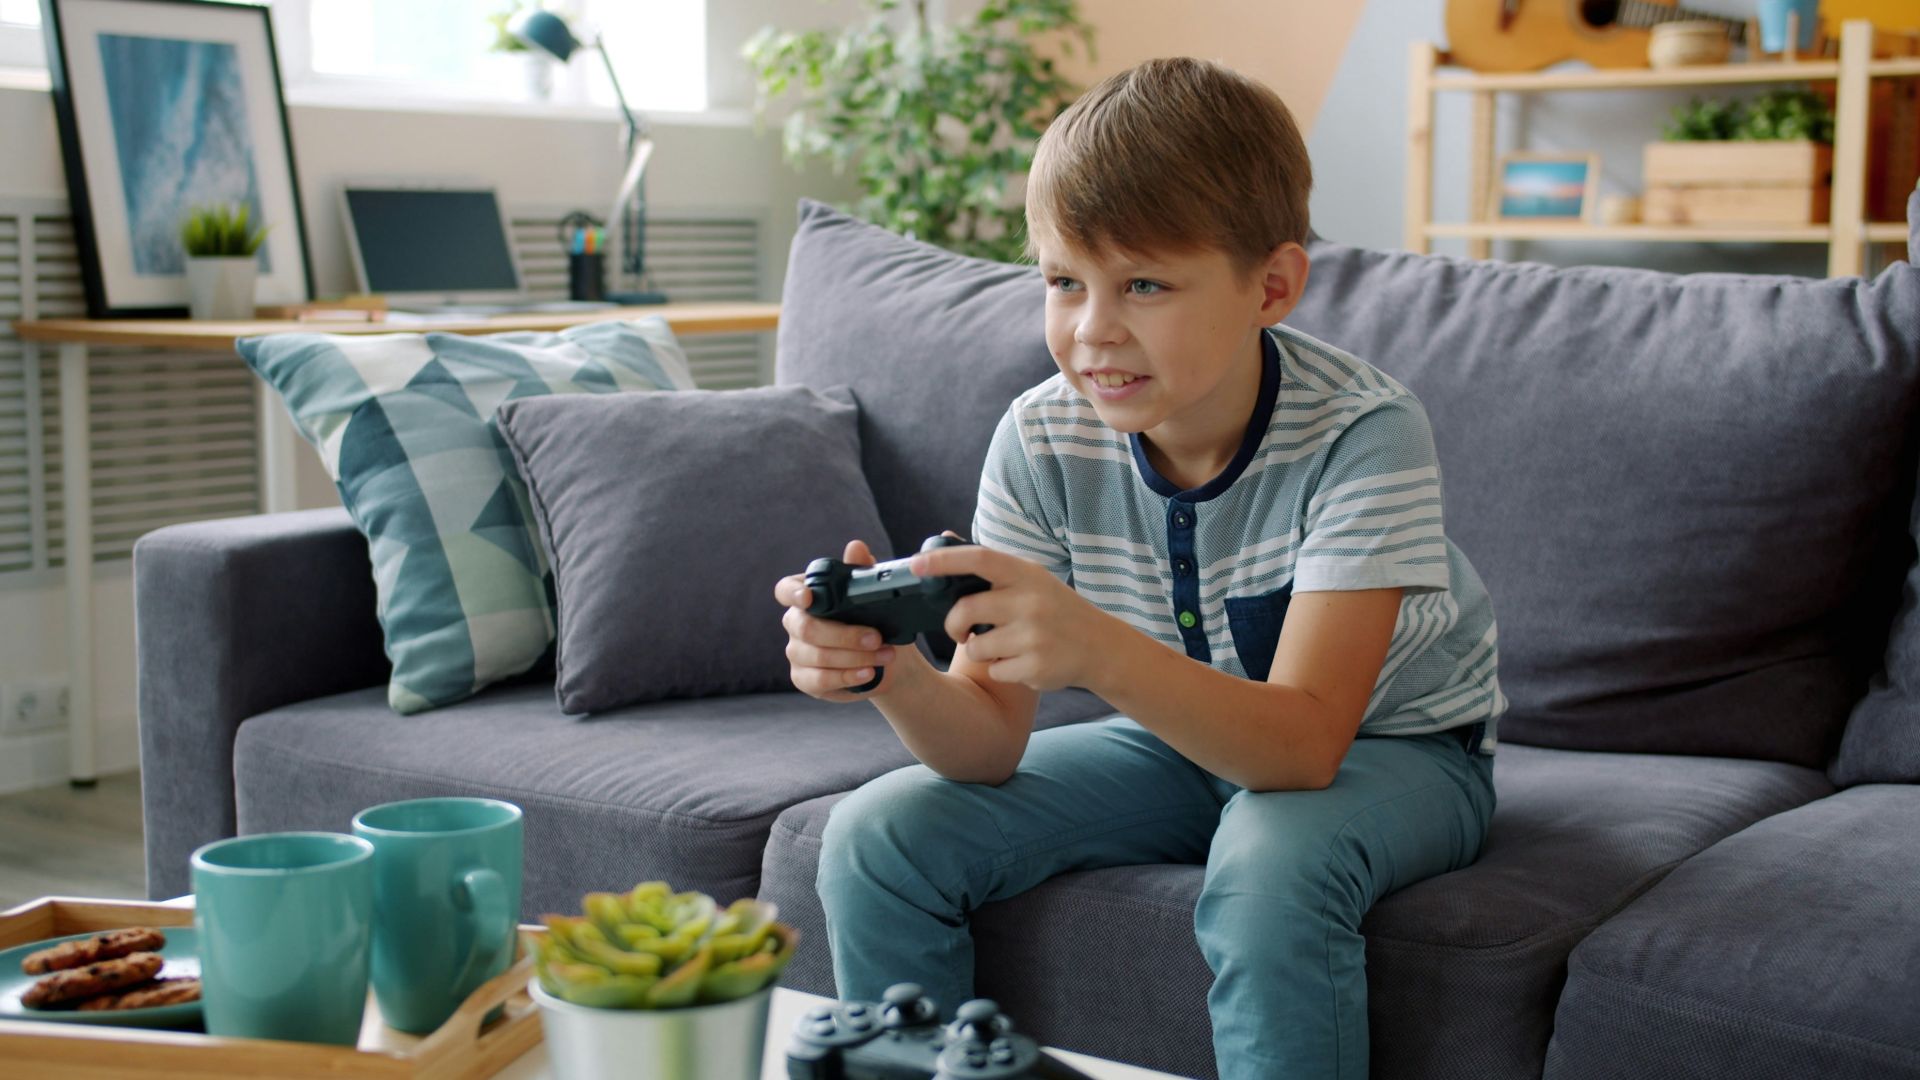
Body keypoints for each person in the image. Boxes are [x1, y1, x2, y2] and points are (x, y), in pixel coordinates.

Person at [772, 56, 1503, 1080]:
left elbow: (1299, 752)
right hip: (1178, 738)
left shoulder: (1363, 434)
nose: (1092, 329)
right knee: (876, 835)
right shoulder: (1041, 438)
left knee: (1269, 865)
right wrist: (895, 672)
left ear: (1274, 286)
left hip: (1400, 749)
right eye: (1064, 282)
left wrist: (1097, 650)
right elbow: (984, 746)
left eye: (1145, 284)